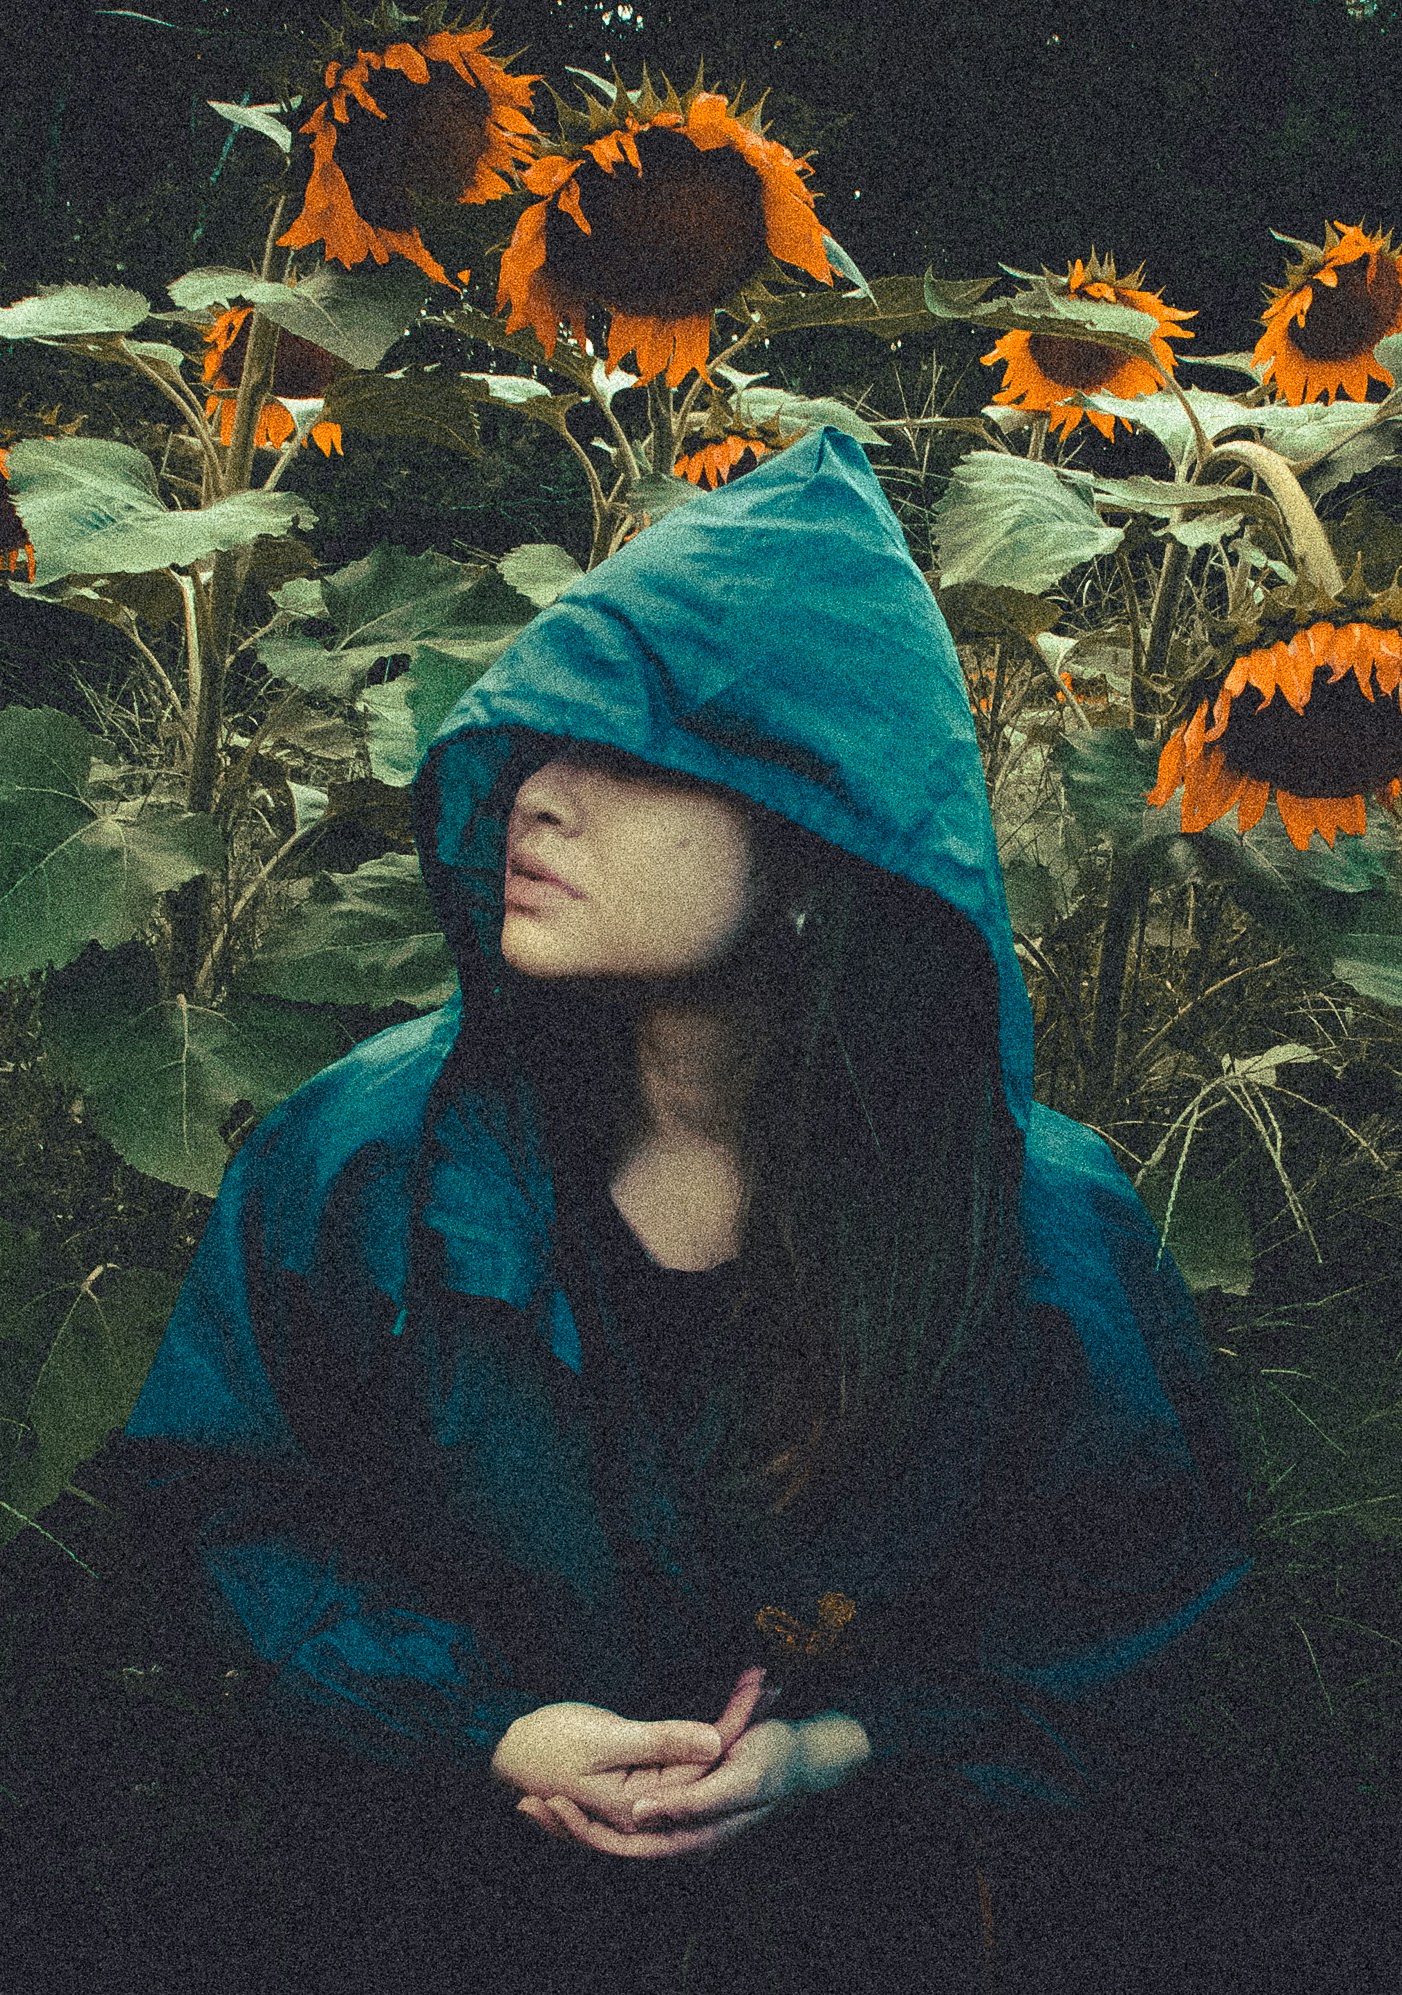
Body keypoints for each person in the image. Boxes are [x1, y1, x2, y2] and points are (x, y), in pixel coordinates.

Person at [115, 429, 1251, 1991]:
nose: (542, 798)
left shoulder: (1036, 1230)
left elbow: (1134, 1603)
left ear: (819, 845)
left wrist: (837, 1749)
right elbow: (229, 1512)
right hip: (428, 1914)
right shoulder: (367, 1158)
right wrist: (490, 1727)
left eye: (635, 759)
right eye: (541, 743)